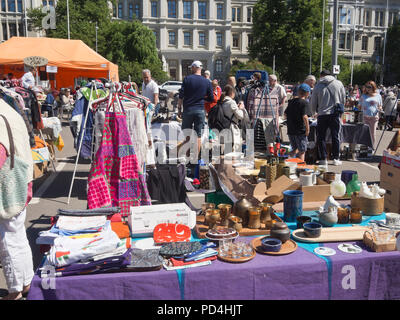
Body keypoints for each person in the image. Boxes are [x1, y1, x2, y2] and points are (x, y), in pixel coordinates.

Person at [0, 99, 34, 300]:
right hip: (20, 179)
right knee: (18, 234)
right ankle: (26, 282)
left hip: (7, 184)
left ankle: (14, 290)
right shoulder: (9, 110)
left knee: (7, 238)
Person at [177, 60, 213, 158]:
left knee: (187, 135)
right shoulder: (206, 81)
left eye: (191, 67)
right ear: (200, 69)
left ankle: (188, 157)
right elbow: (211, 98)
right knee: (198, 135)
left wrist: (179, 109)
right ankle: (196, 159)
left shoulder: (187, 79)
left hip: (188, 110)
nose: (191, 69)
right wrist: (201, 98)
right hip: (200, 110)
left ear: (194, 67)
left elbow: (181, 95)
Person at [310, 69, 346, 166]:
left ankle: (323, 159)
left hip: (322, 114)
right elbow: (343, 98)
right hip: (335, 114)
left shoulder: (318, 85)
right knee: (335, 136)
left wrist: (313, 112)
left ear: (321, 75)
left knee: (321, 137)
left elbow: (313, 101)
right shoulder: (339, 84)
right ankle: (335, 158)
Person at [284, 83, 311, 161]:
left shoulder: (291, 101)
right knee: (302, 151)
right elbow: (305, 117)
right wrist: (307, 129)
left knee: (295, 149)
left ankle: (288, 162)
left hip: (291, 130)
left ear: (299, 92)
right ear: (307, 93)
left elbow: (285, 114)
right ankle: (301, 167)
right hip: (300, 131)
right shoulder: (305, 103)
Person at [219, 84, 246, 153]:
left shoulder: (221, 101)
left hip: (223, 127)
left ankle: (225, 162)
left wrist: (236, 107)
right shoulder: (231, 102)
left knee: (226, 149)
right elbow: (240, 116)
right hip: (231, 128)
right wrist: (241, 109)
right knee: (233, 150)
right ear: (232, 93)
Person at [359, 81, 383, 148]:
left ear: (373, 87)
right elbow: (359, 105)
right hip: (365, 116)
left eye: (369, 87)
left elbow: (380, 105)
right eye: (366, 87)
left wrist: (380, 108)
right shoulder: (363, 96)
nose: (367, 88)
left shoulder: (378, 96)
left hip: (374, 117)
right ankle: (364, 147)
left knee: (373, 133)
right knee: (364, 133)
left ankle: (372, 147)